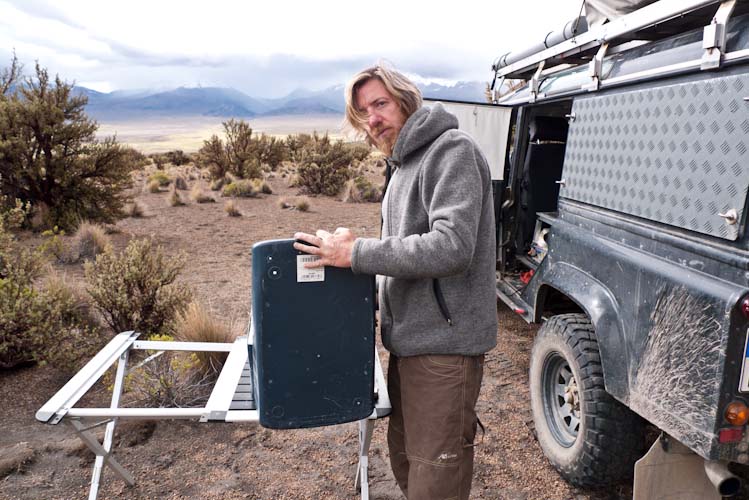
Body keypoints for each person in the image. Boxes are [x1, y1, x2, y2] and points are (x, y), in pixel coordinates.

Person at [293, 64, 497, 500]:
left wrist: (358, 253)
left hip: (445, 348)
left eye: (380, 104)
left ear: (406, 99)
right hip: (409, 343)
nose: (373, 120)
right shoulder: (402, 167)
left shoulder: (451, 150)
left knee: (435, 475)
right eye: (364, 113)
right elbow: (403, 252)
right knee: (407, 461)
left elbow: (451, 247)